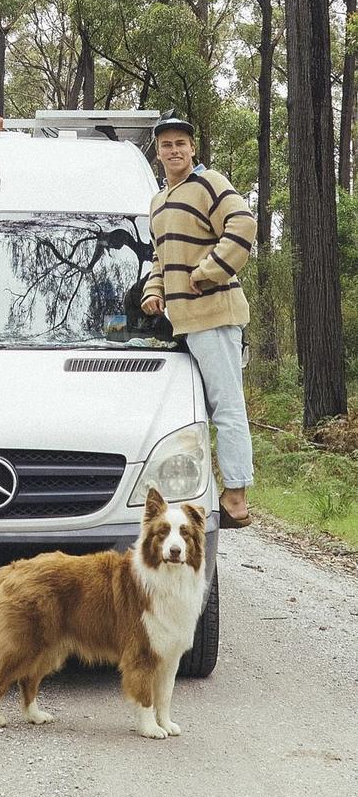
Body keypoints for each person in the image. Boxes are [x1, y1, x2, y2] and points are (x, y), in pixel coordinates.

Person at [141, 117, 256, 528]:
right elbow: (161, 258)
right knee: (194, 413)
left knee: (226, 406)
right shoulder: (158, 202)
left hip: (215, 315)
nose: (174, 150)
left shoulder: (210, 183)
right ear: (158, 152)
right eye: (167, 144)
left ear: (192, 149)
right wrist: (154, 292)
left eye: (181, 144)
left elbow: (243, 225)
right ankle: (202, 489)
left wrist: (206, 270)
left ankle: (237, 497)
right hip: (182, 324)